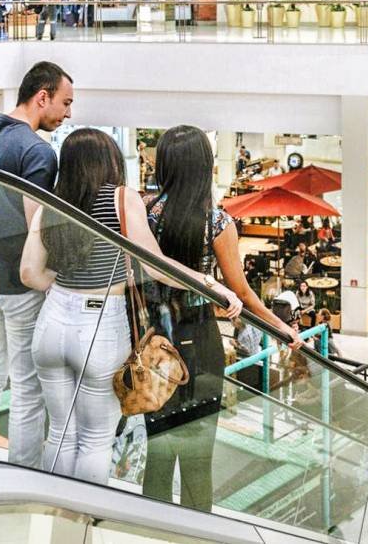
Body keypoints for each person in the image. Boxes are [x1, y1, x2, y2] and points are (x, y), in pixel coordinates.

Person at [19, 128, 244, 487]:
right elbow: (155, 264)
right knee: (94, 439)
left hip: (52, 322)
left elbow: (29, 273)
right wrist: (208, 283)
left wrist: (67, 290)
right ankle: (83, 524)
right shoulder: (122, 198)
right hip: (98, 325)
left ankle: (53, 515)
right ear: (109, 162)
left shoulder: (51, 203)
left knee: (60, 433)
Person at [140, 125, 301, 511]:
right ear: (205, 168)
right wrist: (281, 327)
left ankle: (148, 532)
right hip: (200, 342)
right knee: (198, 459)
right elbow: (242, 293)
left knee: (158, 454)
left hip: (155, 340)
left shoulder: (146, 214)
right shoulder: (216, 222)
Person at [0, 62, 73, 468]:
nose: (67, 114)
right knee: (26, 387)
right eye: (64, 102)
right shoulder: (39, 152)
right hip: (19, 285)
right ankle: (23, 474)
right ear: (41, 96)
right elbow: (35, 224)